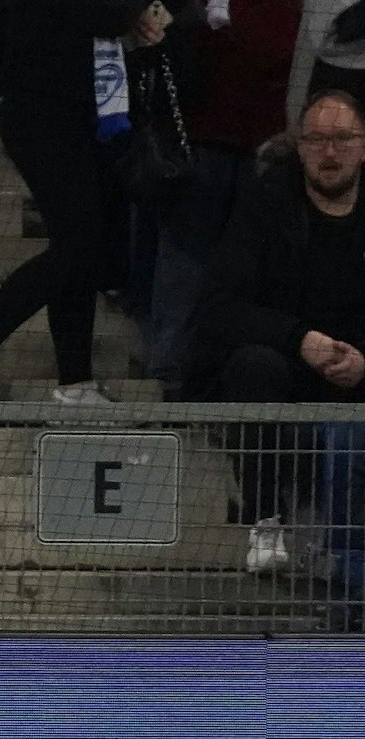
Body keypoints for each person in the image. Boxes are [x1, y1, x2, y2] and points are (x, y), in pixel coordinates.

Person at [0, 0, 170, 405]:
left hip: (91, 112)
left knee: (83, 248)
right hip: (39, 110)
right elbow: (104, 14)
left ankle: (75, 381)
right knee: (80, 244)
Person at [194, 89, 365, 572]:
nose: (329, 153)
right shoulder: (266, 204)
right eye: (315, 140)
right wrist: (301, 340)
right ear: (299, 147)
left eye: (343, 139)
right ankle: (265, 520)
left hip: (359, 372)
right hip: (289, 367)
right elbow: (218, 307)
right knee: (253, 366)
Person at [148, 0, 301, 396]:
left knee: (249, 266)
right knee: (186, 257)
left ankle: (216, 370)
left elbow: (279, 46)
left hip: (264, 146)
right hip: (199, 141)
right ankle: (172, 370)